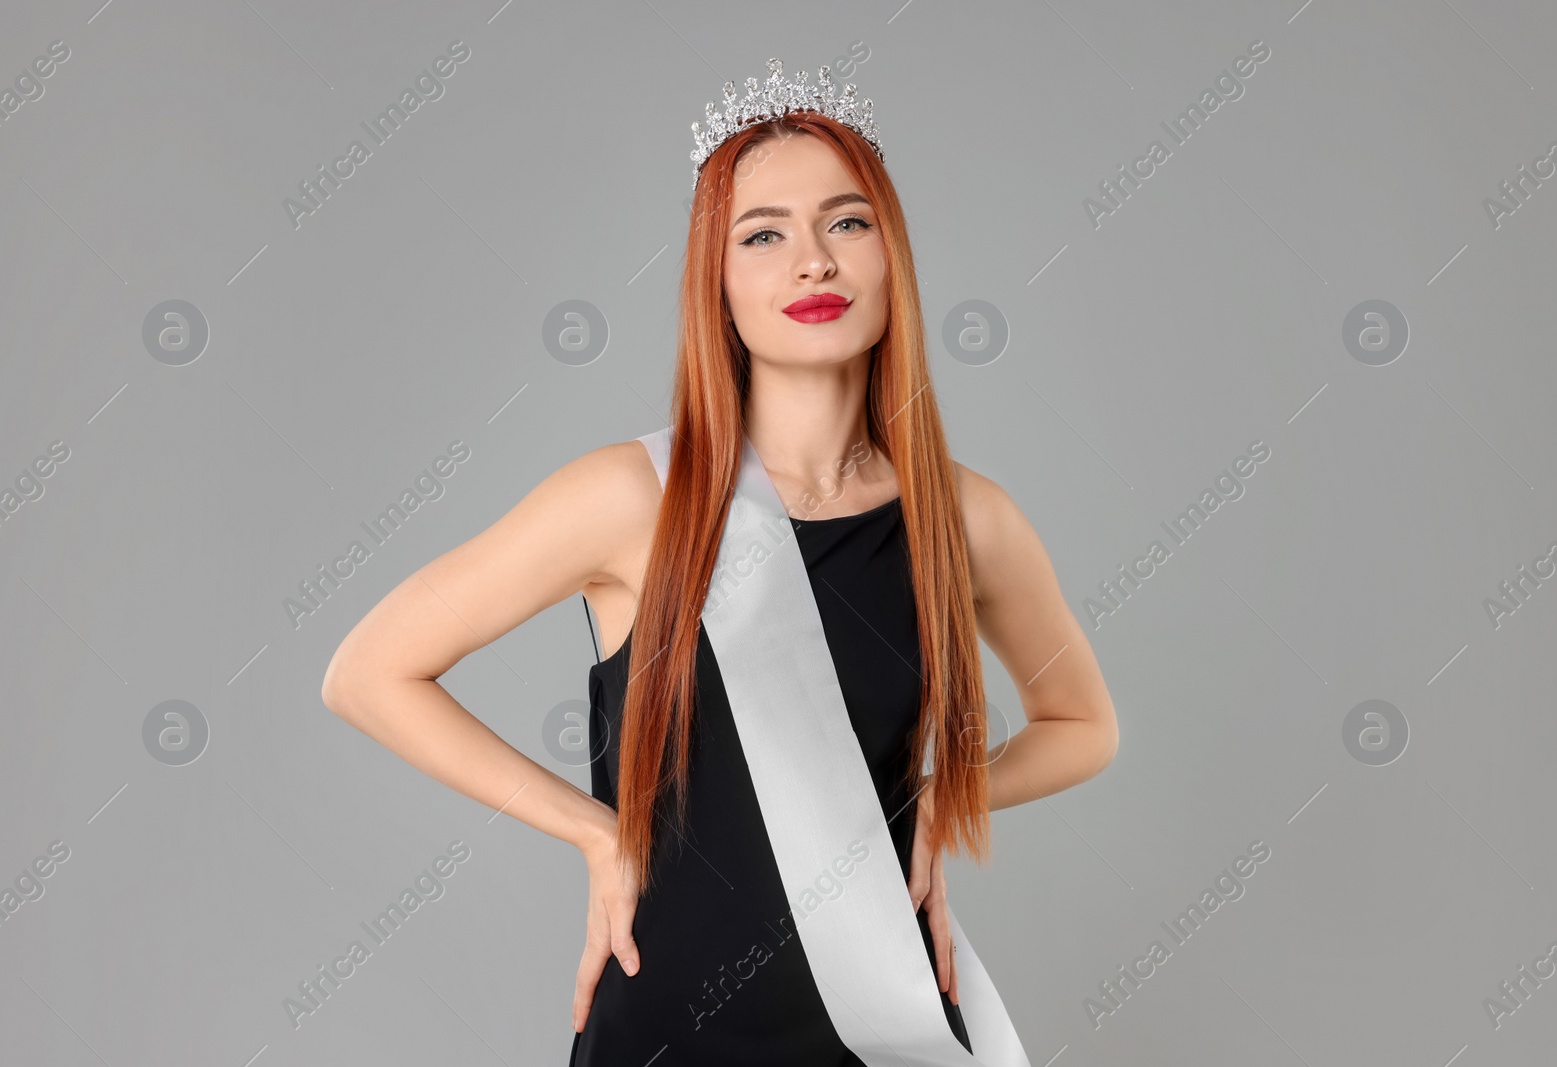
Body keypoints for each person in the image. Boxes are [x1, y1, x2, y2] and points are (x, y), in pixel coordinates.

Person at [321, 57, 1118, 1066]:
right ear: (719, 283)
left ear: (891, 255)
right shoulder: (629, 499)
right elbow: (366, 671)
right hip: (668, 1032)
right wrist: (594, 831)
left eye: (847, 222)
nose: (813, 263)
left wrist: (939, 797)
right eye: (764, 235)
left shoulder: (966, 519)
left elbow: (1084, 723)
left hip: (879, 1019)